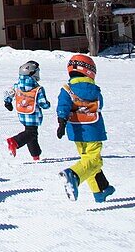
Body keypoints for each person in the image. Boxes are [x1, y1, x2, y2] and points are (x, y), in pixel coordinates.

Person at [57, 54, 114, 203]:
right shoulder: (94, 90)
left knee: (87, 159)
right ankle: (74, 175)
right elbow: (100, 105)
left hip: (75, 130)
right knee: (94, 160)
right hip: (93, 129)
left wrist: (61, 122)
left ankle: (100, 190)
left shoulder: (67, 89)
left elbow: (62, 106)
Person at [4, 60, 50, 160]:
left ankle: (35, 155)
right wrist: (47, 105)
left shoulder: (17, 86)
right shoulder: (38, 89)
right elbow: (43, 103)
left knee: (31, 134)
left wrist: (7, 102)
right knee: (31, 133)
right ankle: (14, 141)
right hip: (33, 116)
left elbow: (9, 93)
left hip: (22, 114)